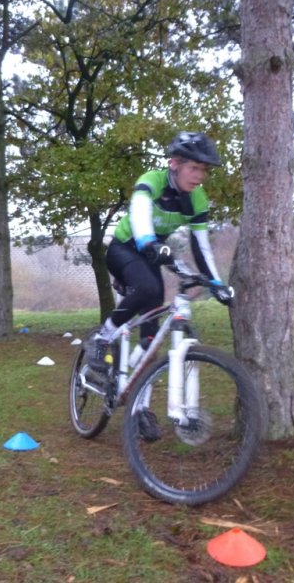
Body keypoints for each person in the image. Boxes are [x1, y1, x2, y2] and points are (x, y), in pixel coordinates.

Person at [84, 131, 230, 439]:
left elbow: (201, 246)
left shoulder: (196, 199)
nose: (200, 176)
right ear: (174, 164)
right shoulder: (153, 179)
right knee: (149, 289)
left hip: (154, 252)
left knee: (151, 340)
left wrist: (216, 282)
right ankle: (103, 337)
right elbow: (139, 211)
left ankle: (141, 407)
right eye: (194, 168)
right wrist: (149, 242)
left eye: (204, 170)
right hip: (125, 248)